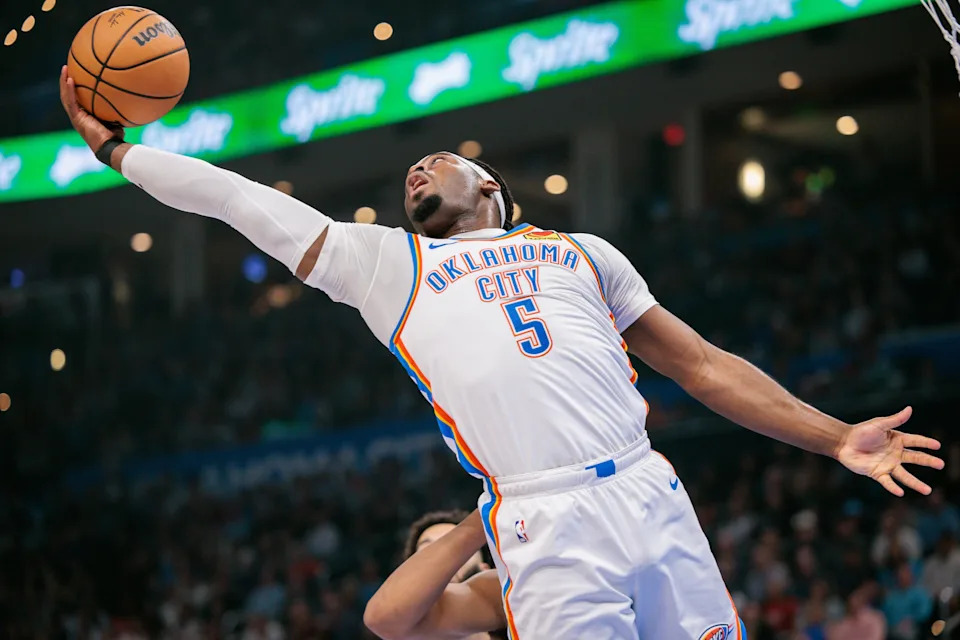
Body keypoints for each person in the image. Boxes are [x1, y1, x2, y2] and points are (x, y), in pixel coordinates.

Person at [60, 67, 945, 639]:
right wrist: (118, 150)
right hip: (539, 520)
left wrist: (833, 438)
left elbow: (704, 366)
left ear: (488, 184)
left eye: (433, 162)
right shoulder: (390, 265)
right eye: (406, 172)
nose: (413, 172)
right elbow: (241, 201)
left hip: (648, 486)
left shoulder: (584, 251)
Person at [365, 510, 505, 639]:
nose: (444, 562)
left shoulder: (508, 593)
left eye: (459, 552)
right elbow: (384, 618)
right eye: (427, 549)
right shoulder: (397, 619)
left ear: (485, 568)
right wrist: (491, 511)